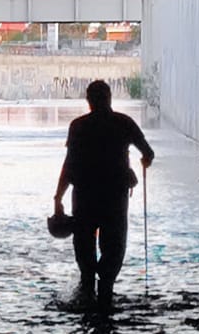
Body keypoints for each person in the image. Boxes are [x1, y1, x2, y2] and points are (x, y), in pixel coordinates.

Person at [53, 80, 154, 308]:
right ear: (110, 98)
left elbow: (69, 165)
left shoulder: (78, 126)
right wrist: (143, 162)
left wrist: (58, 197)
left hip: (85, 197)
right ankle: (106, 295)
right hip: (114, 198)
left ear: (88, 101)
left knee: (84, 252)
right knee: (113, 247)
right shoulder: (124, 123)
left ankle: (87, 296)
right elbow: (148, 152)